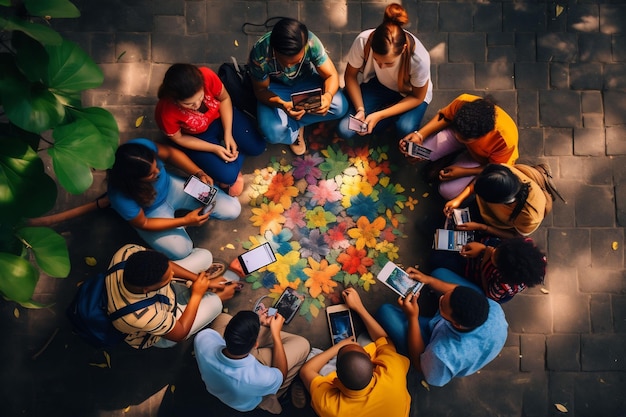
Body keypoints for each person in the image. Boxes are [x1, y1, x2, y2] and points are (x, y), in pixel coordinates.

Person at [107, 138, 241, 261]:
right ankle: (184, 223)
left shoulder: (141, 149)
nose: (158, 172)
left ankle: (193, 217)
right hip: (152, 213)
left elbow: (170, 154)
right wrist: (184, 221)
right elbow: (144, 223)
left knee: (232, 209)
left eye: (157, 166)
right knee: (182, 251)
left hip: (173, 187)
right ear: (134, 180)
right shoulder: (119, 196)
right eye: (151, 174)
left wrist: (198, 172)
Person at [376, 267, 508, 387]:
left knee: (385, 312)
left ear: (455, 324)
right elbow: (455, 292)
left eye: (442, 306)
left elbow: (419, 364)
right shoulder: (493, 308)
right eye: (446, 295)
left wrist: (412, 318)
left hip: (438, 356)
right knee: (438, 274)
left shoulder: (443, 354)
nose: (441, 297)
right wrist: (429, 280)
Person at [155, 63, 266, 197]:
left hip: (220, 117)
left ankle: (228, 159)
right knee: (228, 176)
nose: (197, 105)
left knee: (258, 147)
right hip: (197, 136)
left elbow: (224, 99)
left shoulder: (207, 76)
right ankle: (230, 159)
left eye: (200, 97)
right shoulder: (165, 111)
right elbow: (178, 138)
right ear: (174, 100)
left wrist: (228, 134)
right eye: (188, 104)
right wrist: (214, 148)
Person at [300, 288, 411, 417]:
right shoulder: (393, 371)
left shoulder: (330, 407)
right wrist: (359, 307)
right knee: (367, 338)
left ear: (335, 376)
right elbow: (384, 340)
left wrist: (339, 346)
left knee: (313, 355)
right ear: (371, 358)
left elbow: (305, 371)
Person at [105, 243, 236, 349]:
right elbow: (180, 334)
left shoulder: (127, 252)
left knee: (205, 256)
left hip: (164, 297)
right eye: (167, 278)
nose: (172, 275)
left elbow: (166, 265)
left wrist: (196, 279)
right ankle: (198, 298)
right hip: (161, 332)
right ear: (147, 289)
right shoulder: (140, 316)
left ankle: (192, 291)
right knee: (215, 303)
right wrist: (197, 294)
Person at [248, 17, 348, 155]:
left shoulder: (311, 43)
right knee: (272, 134)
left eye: (296, 61)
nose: (289, 67)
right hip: (275, 89)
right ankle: (296, 123)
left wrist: (328, 96)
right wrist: (282, 104)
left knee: (340, 106)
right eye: (284, 62)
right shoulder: (259, 53)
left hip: (306, 82)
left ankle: (295, 123)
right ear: (274, 50)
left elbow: (331, 75)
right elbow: (260, 90)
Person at [337, 3, 432, 139]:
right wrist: (360, 109)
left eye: (389, 63)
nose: (381, 67)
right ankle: (389, 117)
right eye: (376, 60)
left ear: (403, 49)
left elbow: (418, 97)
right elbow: (350, 76)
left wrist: (379, 115)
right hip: (380, 85)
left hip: (410, 93)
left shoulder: (419, 59)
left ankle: (388, 117)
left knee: (404, 129)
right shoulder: (364, 40)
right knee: (345, 129)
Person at [400, 94, 518, 200]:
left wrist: (464, 172)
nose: (458, 137)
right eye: (457, 132)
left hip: (482, 160)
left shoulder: (504, 141)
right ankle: (450, 156)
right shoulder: (463, 102)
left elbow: (495, 170)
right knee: (422, 150)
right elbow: (444, 117)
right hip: (467, 141)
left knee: (447, 191)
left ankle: (452, 158)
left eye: (465, 139)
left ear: (481, 136)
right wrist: (419, 135)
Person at [194, 310, 310, 414]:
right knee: (303, 344)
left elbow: (218, 334)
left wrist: (253, 322)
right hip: (247, 401)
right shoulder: (258, 378)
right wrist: (276, 334)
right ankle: (281, 393)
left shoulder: (202, 338)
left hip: (218, 375)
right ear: (255, 345)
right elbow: (280, 374)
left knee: (222, 317)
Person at [444, 163, 550, 238]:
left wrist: (482, 227)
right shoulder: (503, 172)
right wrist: (458, 199)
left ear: (499, 202)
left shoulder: (529, 216)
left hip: (494, 227)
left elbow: (515, 236)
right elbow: (480, 179)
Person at [430, 236, 547, 303]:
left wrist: (485, 261)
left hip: (479, 275)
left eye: (494, 259)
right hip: (482, 255)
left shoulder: (502, 286)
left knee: (437, 259)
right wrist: (483, 247)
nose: (493, 251)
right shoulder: (524, 246)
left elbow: (489, 294)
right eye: (498, 249)